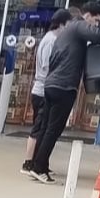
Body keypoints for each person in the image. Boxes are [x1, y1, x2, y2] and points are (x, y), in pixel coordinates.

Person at [30, 2, 100, 183]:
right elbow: (98, 37)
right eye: (96, 20)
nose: (96, 25)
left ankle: (37, 164)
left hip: (52, 84)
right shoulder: (79, 26)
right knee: (53, 129)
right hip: (64, 87)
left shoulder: (68, 32)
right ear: (88, 15)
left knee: (46, 127)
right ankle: (39, 167)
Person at [21, 9, 74, 175]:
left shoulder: (53, 39)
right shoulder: (50, 40)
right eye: (70, 24)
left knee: (42, 127)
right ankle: (28, 162)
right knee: (38, 128)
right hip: (42, 90)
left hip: (44, 88)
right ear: (62, 23)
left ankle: (39, 161)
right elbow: (45, 65)